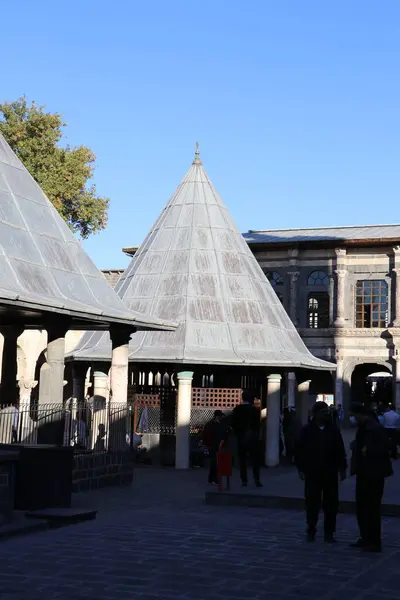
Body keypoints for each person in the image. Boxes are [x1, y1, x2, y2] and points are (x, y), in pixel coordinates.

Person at [295, 401, 347, 543]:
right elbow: (300, 450)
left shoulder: (333, 430)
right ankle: (311, 529)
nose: (326, 415)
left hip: (330, 472)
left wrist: (342, 468)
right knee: (312, 503)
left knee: (331, 504)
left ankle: (329, 532)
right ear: (316, 414)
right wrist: (301, 468)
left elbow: (340, 449)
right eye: (323, 412)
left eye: (327, 412)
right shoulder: (307, 430)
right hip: (313, 472)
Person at [349, 403, 393, 553]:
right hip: (364, 472)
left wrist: (368, 450)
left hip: (373, 474)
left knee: (371, 509)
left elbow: (386, 447)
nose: (354, 419)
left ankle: (373, 541)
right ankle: (365, 538)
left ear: (362, 415)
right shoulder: (365, 428)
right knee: (362, 508)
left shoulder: (374, 429)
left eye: (355, 416)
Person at [231, 390, 262, 488]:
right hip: (252, 437)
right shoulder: (255, 410)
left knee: (242, 460)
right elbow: (257, 425)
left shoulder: (237, 409)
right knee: (255, 460)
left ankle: (244, 480)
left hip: (241, 438)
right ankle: (256, 479)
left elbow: (233, 423)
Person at [202, 410, 226, 484]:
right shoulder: (211, 425)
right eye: (220, 416)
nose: (221, 418)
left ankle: (211, 478)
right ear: (217, 416)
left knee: (214, 462)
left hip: (218, 445)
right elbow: (206, 435)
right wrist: (209, 444)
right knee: (214, 462)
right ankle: (214, 479)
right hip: (213, 445)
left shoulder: (218, 424)